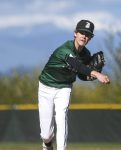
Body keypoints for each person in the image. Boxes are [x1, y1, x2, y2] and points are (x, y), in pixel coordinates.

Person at [38, 19, 110, 150]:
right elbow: (76, 64)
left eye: (87, 34)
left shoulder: (86, 54)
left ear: (90, 38)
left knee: (61, 118)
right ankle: (47, 144)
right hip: (46, 87)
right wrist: (97, 74)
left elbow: (82, 75)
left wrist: (91, 74)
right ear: (75, 33)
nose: (84, 36)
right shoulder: (64, 49)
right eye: (81, 32)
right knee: (46, 134)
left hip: (64, 87)